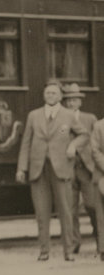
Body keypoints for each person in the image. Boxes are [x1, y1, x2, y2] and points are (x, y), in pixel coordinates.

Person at [15, 80, 88, 261]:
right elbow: (26, 143)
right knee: (41, 212)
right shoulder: (34, 115)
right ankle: (44, 250)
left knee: (66, 211)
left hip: (61, 168)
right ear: (43, 95)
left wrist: (73, 145)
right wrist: (22, 168)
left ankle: (68, 251)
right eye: (48, 93)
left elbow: (84, 134)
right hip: (39, 169)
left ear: (61, 96)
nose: (50, 96)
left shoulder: (69, 115)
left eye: (54, 93)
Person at [61, 83, 99, 254]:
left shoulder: (90, 118)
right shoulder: (60, 117)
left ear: (80, 102)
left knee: (92, 205)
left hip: (87, 168)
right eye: (68, 100)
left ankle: (100, 239)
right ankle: (74, 243)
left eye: (74, 100)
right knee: (70, 207)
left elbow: (97, 142)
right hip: (68, 167)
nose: (71, 103)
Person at [90, 115, 104, 260]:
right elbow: (95, 150)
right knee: (102, 215)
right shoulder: (99, 126)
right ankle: (103, 248)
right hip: (102, 175)